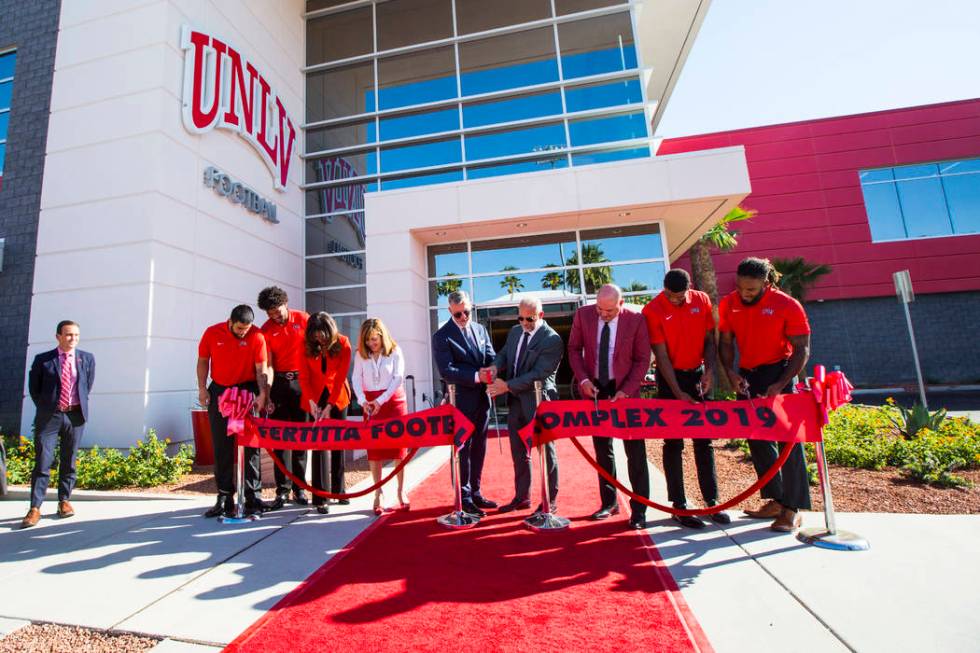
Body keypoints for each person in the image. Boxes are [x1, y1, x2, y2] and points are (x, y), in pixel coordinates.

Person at [719, 257, 812, 532]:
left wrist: (782, 382)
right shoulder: (730, 303)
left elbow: (802, 349)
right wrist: (731, 373)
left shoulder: (787, 305)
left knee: (788, 442)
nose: (744, 294)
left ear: (766, 283)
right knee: (757, 437)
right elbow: (725, 342)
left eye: (751, 289)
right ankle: (776, 499)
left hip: (780, 372)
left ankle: (793, 509)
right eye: (740, 288)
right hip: (748, 375)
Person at [643, 269, 731, 529]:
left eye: (680, 296)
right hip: (670, 379)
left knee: (704, 441)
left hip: (697, 375)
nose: (676, 300)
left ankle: (712, 502)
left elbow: (709, 340)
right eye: (671, 296)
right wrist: (678, 393)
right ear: (664, 290)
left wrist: (710, 371)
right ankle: (679, 506)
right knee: (673, 443)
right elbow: (662, 355)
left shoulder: (701, 300)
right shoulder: (653, 309)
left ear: (689, 289)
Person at [568, 284, 652, 530]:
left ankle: (639, 510)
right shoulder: (583, 315)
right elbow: (573, 350)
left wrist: (627, 389)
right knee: (603, 451)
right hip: (595, 392)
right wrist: (583, 380)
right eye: (600, 310)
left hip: (626, 392)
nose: (603, 315)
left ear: (621, 304)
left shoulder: (636, 320)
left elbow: (642, 358)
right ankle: (609, 502)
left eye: (610, 311)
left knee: (635, 453)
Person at [484, 297, 563, 514]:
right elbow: (505, 356)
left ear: (541, 315)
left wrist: (506, 386)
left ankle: (550, 500)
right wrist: (494, 368)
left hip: (539, 402)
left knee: (546, 452)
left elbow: (538, 374)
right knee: (519, 452)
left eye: (530, 318)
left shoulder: (552, 339)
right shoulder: (515, 331)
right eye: (521, 318)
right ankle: (522, 496)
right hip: (516, 402)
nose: (525, 323)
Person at [196, 305, 271, 518]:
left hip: (247, 391)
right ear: (230, 321)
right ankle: (224, 497)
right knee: (222, 445)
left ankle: (252, 497)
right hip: (220, 392)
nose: (242, 332)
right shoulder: (212, 332)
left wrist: (262, 395)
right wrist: (202, 389)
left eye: (246, 329)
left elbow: (261, 369)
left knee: (250, 447)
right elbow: (203, 362)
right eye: (239, 328)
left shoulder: (257, 336)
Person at [21, 320, 96, 529]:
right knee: (43, 461)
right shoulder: (43, 360)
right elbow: (35, 390)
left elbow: (86, 386)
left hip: (75, 416)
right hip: (50, 417)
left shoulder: (86, 359)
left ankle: (64, 501)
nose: (73, 339)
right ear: (58, 337)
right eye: (69, 335)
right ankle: (35, 508)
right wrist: (50, 407)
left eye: (76, 335)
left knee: (69, 460)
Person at [431, 290, 498, 517]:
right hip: (461, 402)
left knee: (480, 446)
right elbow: (447, 370)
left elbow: (491, 356)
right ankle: (464, 495)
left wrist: (493, 371)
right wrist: (478, 375)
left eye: (466, 312)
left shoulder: (480, 329)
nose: (463, 317)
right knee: (463, 449)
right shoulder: (442, 336)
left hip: (483, 399)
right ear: (450, 311)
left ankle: (476, 491)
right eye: (458, 314)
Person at [258, 286, 310, 509]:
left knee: (300, 439)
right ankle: (282, 490)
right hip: (279, 384)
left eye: (277, 311)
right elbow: (267, 364)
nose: (275, 316)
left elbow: (314, 352)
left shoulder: (303, 319)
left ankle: (300, 488)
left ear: (285, 303)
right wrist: (266, 394)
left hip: (302, 383)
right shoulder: (266, 329)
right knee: (280, 440)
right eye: (270, 313)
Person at [352, 318, 410, 515]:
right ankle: (378, 493)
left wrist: (381, 400)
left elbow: (398, 378)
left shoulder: (395, 351)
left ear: (382, 335)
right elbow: (356, 379)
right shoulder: (361, 354)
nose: (371, 343)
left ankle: (401, 491)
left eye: (374, 339)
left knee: (398, 449)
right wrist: (362, 401)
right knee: (374, 449)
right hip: (369, 404)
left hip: (393, 402)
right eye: (367, 340)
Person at [300, 311, 352, 515]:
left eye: (323, 335)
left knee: (338, 442)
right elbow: (303, 377)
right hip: (313, 395)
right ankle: (320, 496)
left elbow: (340, 377)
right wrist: (313, 403)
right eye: (315, 336)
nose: (319, 339)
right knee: (319, 445)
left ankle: (339, 491)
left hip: (337, 396)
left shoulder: (344, 343)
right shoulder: (304, 344)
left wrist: (330, 405)